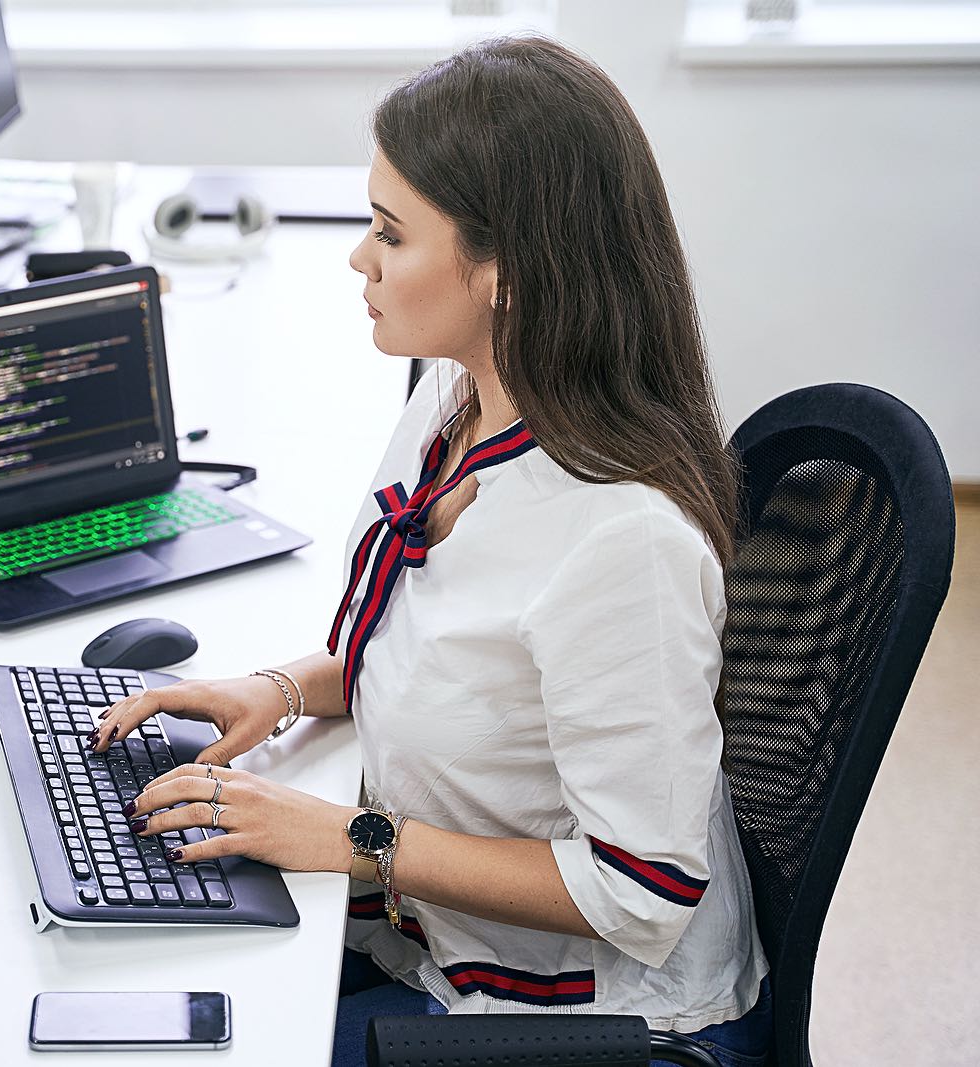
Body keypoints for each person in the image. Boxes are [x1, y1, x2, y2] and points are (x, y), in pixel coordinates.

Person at [89, 34, 770, 1067]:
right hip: (435, 938)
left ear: (507, 274)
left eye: (389, 233)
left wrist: (354, 841)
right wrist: (275, 688)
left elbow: (642, 889)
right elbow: (443, 654)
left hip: (600, 1023)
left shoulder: (621, 539)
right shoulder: (455, 406)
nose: (359, 259)